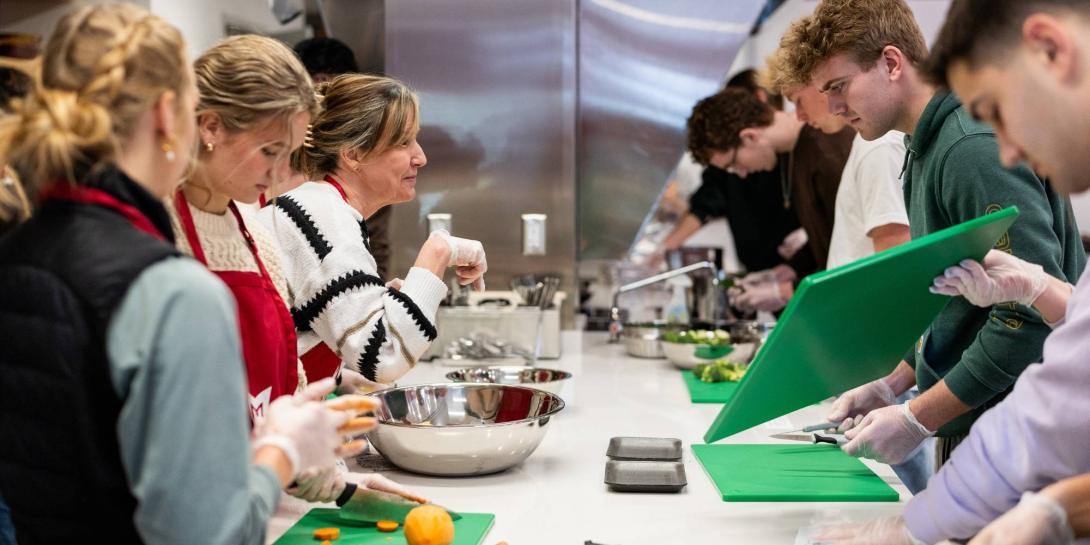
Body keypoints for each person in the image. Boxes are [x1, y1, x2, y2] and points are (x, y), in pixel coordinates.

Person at [0, 5, 374, 543]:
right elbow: (205, 534)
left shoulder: (18, 252)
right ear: (171, 114)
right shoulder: (171, 288)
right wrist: (281, 453)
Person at [814, 1, 1090, 543]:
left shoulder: (970, 147)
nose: (1009, 151)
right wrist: (899, 383)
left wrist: (919, 419)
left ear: (1052, 50)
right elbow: (1061, 380)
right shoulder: (924, 148)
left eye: (995, 109)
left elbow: (1049, 392)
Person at [259, 73, 488, 385]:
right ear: (354, 154)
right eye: (404, 142)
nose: (420, 157)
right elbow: (384, 354)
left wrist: (341, 382)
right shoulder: (329, 226)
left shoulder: (319, 208)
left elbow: (308, 327)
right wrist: (440, 251)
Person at [172, 34, 315, 422]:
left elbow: (291, 388)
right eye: (270, 151)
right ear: (211, 127)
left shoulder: (260, 240)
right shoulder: (158, 233)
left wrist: (326, 476)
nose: (280, 173)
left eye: (289, 155)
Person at [686, 87, 854, 311]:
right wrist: (789, 270)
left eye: (733, 164)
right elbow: (827, 236)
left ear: (750, 136)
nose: (742, 173)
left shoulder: (824, 149)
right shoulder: (791, 152)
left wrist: (787, 291)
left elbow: (853, 249)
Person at [768, 43, 911, 269]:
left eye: (798, 100)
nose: (799, 115)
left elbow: (895, 254)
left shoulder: (877, 147)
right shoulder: (867, 144)